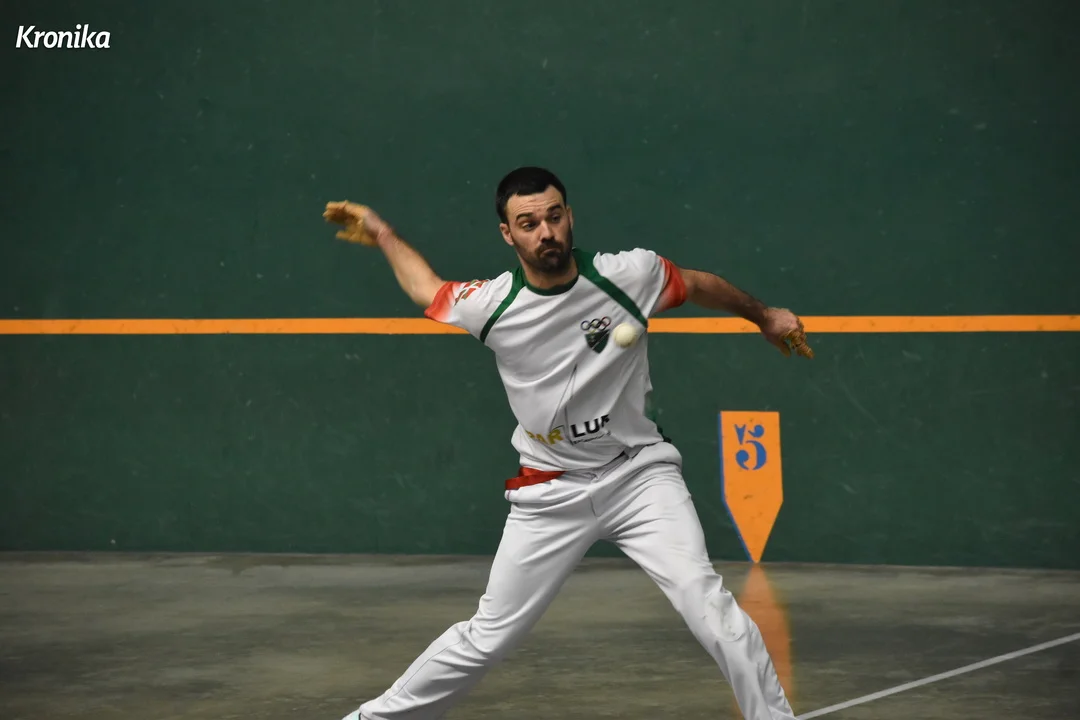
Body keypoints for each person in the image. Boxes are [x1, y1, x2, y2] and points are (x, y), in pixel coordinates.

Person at [323, 166, 813, 720]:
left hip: (638, 478)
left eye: (554, 217)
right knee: (489, 636)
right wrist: (384, 233)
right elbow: (426, 290)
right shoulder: (493, 304)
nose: (546, 232)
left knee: (711, 608)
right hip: (549, 492)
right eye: (528, 223)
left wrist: (764, 315)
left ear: (570, 216)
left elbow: (697, 283)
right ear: (508, 234)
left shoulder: (629, 276)